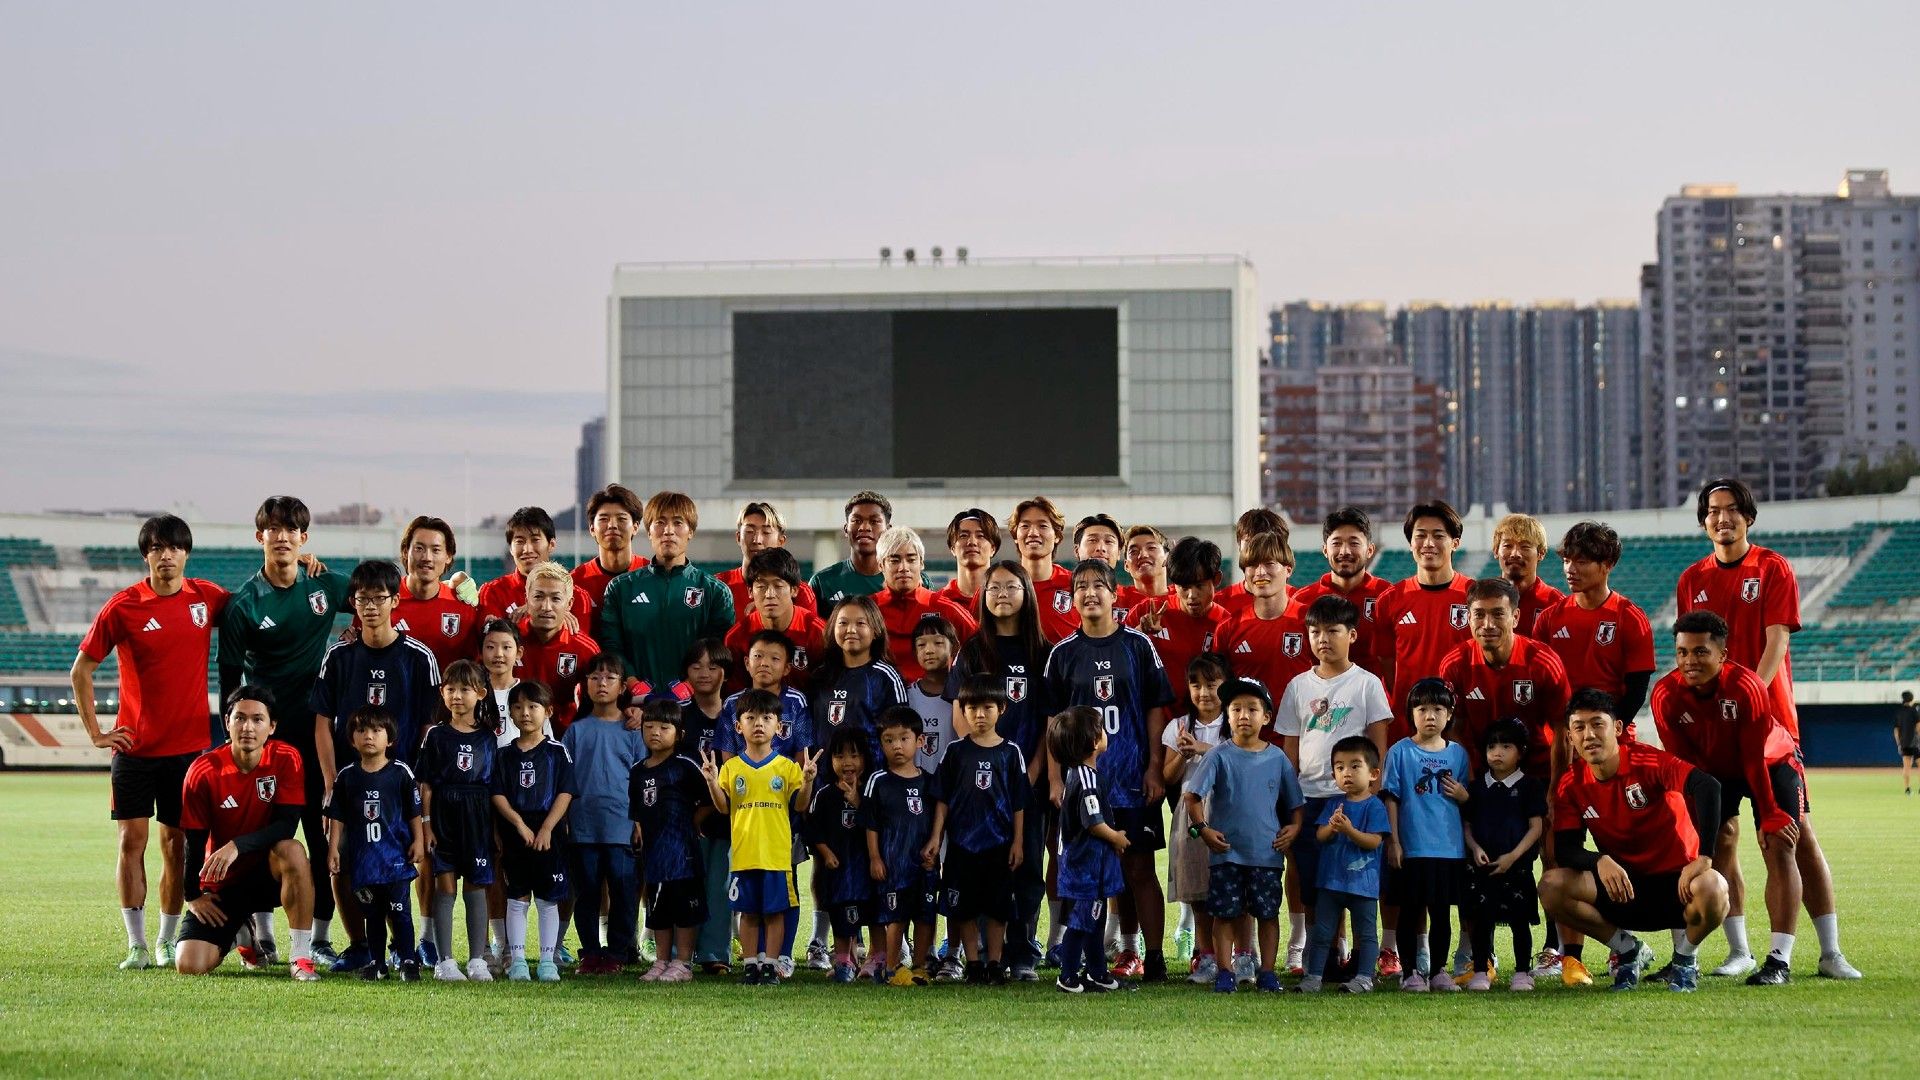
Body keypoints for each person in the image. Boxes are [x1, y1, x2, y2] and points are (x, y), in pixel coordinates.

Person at [1675, 477, 1857, 979]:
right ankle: (1740, 951)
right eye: (1713, 510)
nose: (1722, 518)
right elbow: (1694, 648)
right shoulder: (1692, 577)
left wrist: (1748, 694)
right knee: (1725, 836)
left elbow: (1777, 641)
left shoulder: (1772, 567)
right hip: (1717, 735)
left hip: (1771, 729)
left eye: (1732, 509)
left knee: (1794, 836)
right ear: (1704, 520)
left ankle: (1829, 951)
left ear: (1748, 517)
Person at [74, 513, 229, 970]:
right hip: (135, 750)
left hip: (188, 751)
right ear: (147, 555)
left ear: (186, 553)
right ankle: (136, 944)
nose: (167, 555)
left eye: (175, 547)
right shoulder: (123, 606)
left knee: (177, 846)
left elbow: (262, 608)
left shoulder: (206, 598)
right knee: (131, 842)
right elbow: (81, 670)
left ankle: (165, 940)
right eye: (158, 547)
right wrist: (97, 733)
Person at [216, 495, 352, 965]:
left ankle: (319, 937)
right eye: (273, 530)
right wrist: (234, 744)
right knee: (264, 833)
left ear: (303, 539)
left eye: (291, 530)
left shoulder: (324, 584)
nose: (282, 537)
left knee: (320, 834)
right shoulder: (243, 605)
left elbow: (380, 597)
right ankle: (264, 931)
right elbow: (228, 682)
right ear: (260, 538)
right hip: (264, 738)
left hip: (314, 733)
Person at [1539, 689, 1731, 992]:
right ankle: (1628, 950)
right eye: (1579, 727)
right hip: (1623, 889)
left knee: (1715, 887)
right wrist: (1598, 860)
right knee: (1552, 886)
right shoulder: (1571, 783)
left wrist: (1705, 857)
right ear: (1570, 737)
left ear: (1617, 728)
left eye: (1597, 724)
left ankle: (1685, 959)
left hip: (1676, 887)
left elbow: (1708, 786)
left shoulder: (1647, 761)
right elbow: (1565, 849)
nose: (1588, 735)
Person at [1652, 611, 1806, 986]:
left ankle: (1779, 960)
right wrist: (1699, 826)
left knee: (1778, 844)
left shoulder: (1748, 686)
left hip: (1769, 762)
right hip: (1713, 772)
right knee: (1719, 845)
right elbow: (1686, 769)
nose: (1690, 662)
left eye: (1701, 652)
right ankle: (1740, 952)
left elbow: (1753, 758)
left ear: (1723, 655)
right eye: (1683, 652)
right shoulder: (1665, 695)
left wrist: (1768, 811)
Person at [1043, 558, 1176, 981]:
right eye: (1080, 586)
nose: (1089, 593)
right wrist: (1052, 778)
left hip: (1131, 780)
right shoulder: (1062, 654)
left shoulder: (1137, 645)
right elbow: (1052, 721)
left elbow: (1156, 709)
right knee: (1087, 871)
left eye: (1098, 585)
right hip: (1083, 787)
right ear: (1072, 598)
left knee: (1138, 869)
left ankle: (1152, 957)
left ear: (1115, 594)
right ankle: (1089, 957)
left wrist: (1155, 766)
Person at [310, 559, 441, 972]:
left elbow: (430, 726)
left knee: (404, 859)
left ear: (394, 601)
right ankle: (361, 946)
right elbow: (320, 725)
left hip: (401, 784)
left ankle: (418, 944)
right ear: (353, 603)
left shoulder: (419, 657)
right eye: (362, 599)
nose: (370, 607)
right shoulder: (339, 657)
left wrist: (421, 783)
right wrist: (331, 784)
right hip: (350, 783)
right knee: (343, 861)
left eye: (378, 598)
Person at [1275, 594, 1393, 977]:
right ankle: (1322, 955)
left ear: (1352, 635)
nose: (1322, 639)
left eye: (1332, 631)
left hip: (1353, 799)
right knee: (1314, 881)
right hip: (1310, 797)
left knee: (1357, 876)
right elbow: (1290, 747)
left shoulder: (1366, 684)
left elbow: (1378, 744)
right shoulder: (1297, 686)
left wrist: (1369, 797)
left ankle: (1363, 957)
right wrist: (1290, 800)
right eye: (1315, 631)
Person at [946, 559, 1052, 979]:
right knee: (979, 864)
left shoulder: (1043, 651)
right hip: (979, 785)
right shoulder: (974, 650)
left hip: (1027, 780)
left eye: (1011, 587)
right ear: (983, 598)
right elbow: (958, 711)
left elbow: (1049, 719)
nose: (1001, 595)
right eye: (993, 588)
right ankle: (983, 957)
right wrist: (975, 764)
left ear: (1027, 594)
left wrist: (1036, 770)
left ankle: (1022, 949)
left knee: (1024, 865)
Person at [174, 686, 317, 980]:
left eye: (257, 719)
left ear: (272, 726)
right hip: (224, 882)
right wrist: (192, 895)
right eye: (239, 718)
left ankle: (301, 957)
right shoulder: (204, 770)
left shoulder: (287, 758)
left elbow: (286, 826)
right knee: (189, 964)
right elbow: (194, 840)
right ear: (227, 722)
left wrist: (237, 845)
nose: (248, 727)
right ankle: (243, 934)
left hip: (269, 875)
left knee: (293, 849)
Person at [1181, 677, 1305, 994]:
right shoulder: (1218, 756)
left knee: (1266, 914)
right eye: (1236, 709)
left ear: (1266, 717)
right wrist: (1203, 830)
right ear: (1228, 715)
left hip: (1266, 854)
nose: (1244, 715)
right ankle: (1225, 971)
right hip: (1226, 854)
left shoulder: (1277, 758)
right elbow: (1192, 797)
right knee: (1224, 914)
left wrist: (1295, 827)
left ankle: (1267, 972)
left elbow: (1296, 804)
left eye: (1252, 708)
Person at [699, 690, 820, 986]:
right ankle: (751, 965)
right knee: (749, 913)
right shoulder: (732, 767)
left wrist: (807, 783)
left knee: (775, 913)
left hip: (777, 855)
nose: (758, 724)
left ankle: (771, 965)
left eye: (766, 718)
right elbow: (724, 807)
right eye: (750, 718)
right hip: (744, 853)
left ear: (779, 727)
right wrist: (713, 783)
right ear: (738, 726)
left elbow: (801, 806)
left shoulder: (787, 767)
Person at [929, 675, 1032, 983]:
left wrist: (1018, 842)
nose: (979, 715)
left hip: (998, 844)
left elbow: (1019, 803)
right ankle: (973, 962)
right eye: (971, 708)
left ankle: (995, 963)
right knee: (964, 907)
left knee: (998, 908)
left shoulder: (1011, 753)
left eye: (987, 707)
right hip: (962, 844)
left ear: (1002, 708)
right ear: (962, 710)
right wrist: (936, 836)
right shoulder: (955, 752)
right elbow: (942, 799)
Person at [1382, 678, 1472, 992]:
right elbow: (1390, 797)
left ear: (1449, 715)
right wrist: (1394, 841)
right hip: (1412, 846)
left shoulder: (1458, 754)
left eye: (1438, 709)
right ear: (1411, 713)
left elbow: (1466, 801)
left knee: (1442, 912)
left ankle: (1438, 971)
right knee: (1411, 910)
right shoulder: (1400, 752)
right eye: (1422, 709)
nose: (1430, 716)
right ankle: (1410, 973)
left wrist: (1464, 795)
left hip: (1449, 848)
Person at [325, 706, 426, 981]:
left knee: (399, 910)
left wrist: (419, 840)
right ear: (352, 739)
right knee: (372, 914)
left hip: (394, 858)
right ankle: (377, 962)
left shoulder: (401, 772)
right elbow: (337, 816)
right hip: (363, 861)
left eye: (376, 731)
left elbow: (414, 811)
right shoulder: (346, 776)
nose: (368, 736)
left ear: (390, 739)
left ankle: (407, 959)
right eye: (361, 730)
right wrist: (333, 848)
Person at [561, 655, 648, 974]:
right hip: (584, 825)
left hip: (622, 824)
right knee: (587, 892)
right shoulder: (575, 731)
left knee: (624, 891)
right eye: (595, 678)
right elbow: (566, 781)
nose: (601, 684)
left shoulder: (632, 731)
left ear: (622, 687)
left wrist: (638, 821)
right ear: (585, 684)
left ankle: (619, 952)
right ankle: (591, 952)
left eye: (609, 678)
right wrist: (567, 819)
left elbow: (641, 778)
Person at [1437, 577, 1573, 779]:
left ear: (1515, 617)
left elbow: (1563, 733)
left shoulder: (1543, 663)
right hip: (1479, 774)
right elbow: (1452, 731)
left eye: (1498, 614)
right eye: (1479, 614)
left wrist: (1554, 793)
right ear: (1468, 617)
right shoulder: (1454, 664)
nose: (1488, 624)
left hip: (1536, 774)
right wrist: (1473, 783)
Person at [596, 491, 734, 689]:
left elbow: (719, 652)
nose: (668, 531)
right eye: (660, 522)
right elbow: (612, 646)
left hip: (694, 705)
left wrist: (688, 686)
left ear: (691, 531)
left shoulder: (715, 591)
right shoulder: (621, 588)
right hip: (636, 707)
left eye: (678, 523)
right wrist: (633, 682)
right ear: (649, 531)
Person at [416, 660, 497, 981]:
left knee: (477, 885)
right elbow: (424, 784)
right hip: (443, 817)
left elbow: (493, 788)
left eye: (465, 689)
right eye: (451, 689)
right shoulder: (436, 735)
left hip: (477, 817)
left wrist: (495, 830)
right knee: (445, 885)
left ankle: (477, 959)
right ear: (442, 693)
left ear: (480, 693)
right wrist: (426, 825)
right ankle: (445, 961)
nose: (457, 696)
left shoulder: (488, 738)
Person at [1532, 521, 1656, 729]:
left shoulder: (1631, 618)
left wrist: (1607, 731)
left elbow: (1636, 692)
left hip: (1612, 735)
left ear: (1607, 564)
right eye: (1566, 560)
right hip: (1561, 735)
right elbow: (1539, 685)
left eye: (1581, 561)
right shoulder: (1548, 619)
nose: (1570, 569)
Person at [491, 680, 574, 982]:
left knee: (548, 898)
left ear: (548, 712)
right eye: (518, 707)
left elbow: (565, 792)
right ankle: (518, 961)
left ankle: (547, 960)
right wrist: (519, 825)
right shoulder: (503, 755)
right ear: (510, 714)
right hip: (517, 832)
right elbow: (497, 794)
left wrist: (548, 827)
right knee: (517, 896)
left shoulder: (557, 752)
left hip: (549, 833)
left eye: (533, 706)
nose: (525, 713)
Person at [1374, 501, 1473, 746]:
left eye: (1438, 535)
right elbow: (1388, 666)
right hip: (1408, 727)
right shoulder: (1390, 600)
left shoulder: (1474, 595)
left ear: (1455, 543)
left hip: (1462, 724)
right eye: (1421, 536)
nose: (1428, 543)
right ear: (1411, 544)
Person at [1295, 736, 1389, 993]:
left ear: (1373, 773)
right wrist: (1332, 828)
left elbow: (1373, 842)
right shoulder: (1333, 804)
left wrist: (1349, 830)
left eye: (1355, 766)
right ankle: (1314, 976)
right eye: (1339, 767)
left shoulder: (1375, 806)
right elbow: (1320, 836)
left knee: (1366, 933)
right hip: (1331, 881)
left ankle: (1364, 977)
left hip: (1363, 884)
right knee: (1323, 932)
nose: (1346, 773)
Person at [1049, 706, 1132, 994]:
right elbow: (1093, 822)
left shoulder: (1083, 773)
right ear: (1094, 740)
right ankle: (1068, 974)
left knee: (1094, 920)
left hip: (1091, 865)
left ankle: (1097, 972)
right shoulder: (1084, 778)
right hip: (1084, 867)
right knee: (1083, 921)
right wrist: (1116, 838)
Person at [628, 699, 711, 982]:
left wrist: (696, 821)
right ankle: (661, 961)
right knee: (658, 909)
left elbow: (710, 800)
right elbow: (637, 809)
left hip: (683, 853)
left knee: (684, 908)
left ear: (679, 733)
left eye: (664, 727)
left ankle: (683, 962)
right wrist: (638, 828)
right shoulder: (638, 770)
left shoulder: (685, 765)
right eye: (649, 726)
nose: (655, 732)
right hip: (654, 855)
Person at [1463, 719, 1546, 991]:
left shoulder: (1530, 786)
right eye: (1491, 746)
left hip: (1517, 867)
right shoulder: (1476, 788)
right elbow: (1467, 825)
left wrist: (1513, 856)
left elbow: (1536, 827)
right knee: (1481, 920)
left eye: (1506, 746)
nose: (1497, 753)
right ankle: (1479, 970)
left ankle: (1522, 972)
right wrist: (1474, 848)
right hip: (1483, 867)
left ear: (1520, 751)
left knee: (1520, 922)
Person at [861, 707, 941, 986]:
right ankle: (893, 967)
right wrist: (874, 857)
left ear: (919, 741)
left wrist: (935, 849)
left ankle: (919, 966)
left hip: (924, 864)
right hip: (894, 863)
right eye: (889, 739)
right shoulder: (878, 781)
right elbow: (870, 824)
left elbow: (938, 821)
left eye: (904, 738)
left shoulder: (930, 782)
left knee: (925, 915)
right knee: (896, 916)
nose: (897, 745)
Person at [1162, 653, 1229, 984]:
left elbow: (1242, 760)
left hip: (1230, 809)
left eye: (1212, 685)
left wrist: (1204, 749)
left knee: (1232, 886)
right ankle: (1205, 957)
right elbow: (1168, 777)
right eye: (1196, 686)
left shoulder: (1237, 720)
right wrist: (1182, 755)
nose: (1203, 693)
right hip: (1190, 809)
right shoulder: (1178, 726)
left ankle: (1242, 956)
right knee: (1197, 889)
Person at [1127, 536, 1232, 719]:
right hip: (1150, 722)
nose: (1192, 595)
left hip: (1202, 726)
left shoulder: (1226, 624)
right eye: (1184, 587)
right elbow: (1116, 659)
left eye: (1199, 586)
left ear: (1216, 579)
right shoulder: (1146, 612)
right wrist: (1140, 632)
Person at [1214, 531, 1311, 725]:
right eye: (1252, 565)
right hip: (1248, 742)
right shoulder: (1228, 629)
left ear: (1288, 569)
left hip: (1302, 738)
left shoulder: (1311, 622)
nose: (1259, 572)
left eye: (1269, 563)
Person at [806, 726, 879, 984]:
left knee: (872, 912)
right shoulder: (824, 795)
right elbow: (813, 830)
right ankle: (844, 960)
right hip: (838, 872)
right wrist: (825, 853)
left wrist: (858, 802)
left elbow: (878, 823)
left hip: (866, 868)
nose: (848, 762)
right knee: (841, 913)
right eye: (840, 757)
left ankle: (875, 959)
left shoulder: (872, 790)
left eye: (855, 756)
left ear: (866, 759)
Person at [1289, 506, 1394, 680]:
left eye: (1354, 543)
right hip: (1320, 702)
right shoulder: (1302, 600)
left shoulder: (1388, 595)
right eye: (1337, 543)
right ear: (1325, 550)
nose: (1344, 551)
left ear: (1370, 550)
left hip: (1371, 702)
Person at [871, 526, 977, 682]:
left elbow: (983, 648)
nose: (903, 568)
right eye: (894, 560)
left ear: (921, 563)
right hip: (880, 701)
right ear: (881, 565)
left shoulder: (945, 608)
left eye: (911, 559)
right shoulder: (867, 610)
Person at [811, 594, 907, 758]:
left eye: (860, 623)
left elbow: (900, 734)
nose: (850, 630)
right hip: (824, 778)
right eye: (843, 623)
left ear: (875, 631)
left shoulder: (886, 677)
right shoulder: (820, 676)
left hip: (869, 778)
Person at [723, 548, 829, 691]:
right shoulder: (736, 637)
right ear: (750, 591)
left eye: (778, 586)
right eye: (761, 586)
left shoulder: (819, 632)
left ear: (794, 590)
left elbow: (827, 693)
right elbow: (735, 694)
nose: (769, 594)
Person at [386, 515, 481, 673]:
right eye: (419, 548)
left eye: (436, 550)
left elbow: (475, 668)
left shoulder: (463, 605)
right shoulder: (384, 600)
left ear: (448, 556)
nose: (427, 558)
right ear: (405, 551)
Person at [516, 562, 600, 731]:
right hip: (511, 736)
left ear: (569, 604)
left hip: (563, 738)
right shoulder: (509, 642)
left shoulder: (585, 649)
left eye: (555, 599)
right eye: (538, 597)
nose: (546, 607)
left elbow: (598, 703)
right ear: (526, 600)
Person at [477, 506, 592, 627]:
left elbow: (577, 643)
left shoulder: (577, 596)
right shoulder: (492, 592)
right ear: (511, 548)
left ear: (551, 545)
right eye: (520, 541)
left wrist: (533, 609)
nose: (527, 549)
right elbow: (491, 642)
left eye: (535, 540)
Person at [715, 631, 814, 761]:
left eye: (775, 658)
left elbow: (803, 750)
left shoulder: (796, 701)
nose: (764, 663)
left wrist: (793, 780)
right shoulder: (732, 703)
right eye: (758, 656)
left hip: (785, 778)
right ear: (747, 663)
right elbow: (727, 751)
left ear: (787, 668)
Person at [716, 501, 819, 620]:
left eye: (766, 532)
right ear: (738, 537)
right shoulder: (718, 586)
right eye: (749, 531)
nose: (757, 540)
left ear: (781, 541)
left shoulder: (799, 592)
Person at [809, 491, 895, 611]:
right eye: (856, 521)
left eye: (874, 521)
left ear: (888, 530)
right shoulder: (822, 582)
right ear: (846, 529)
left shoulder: (911, 580)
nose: (864, 527)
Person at [1009, 496, 1078, 642]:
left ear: (1057, 536)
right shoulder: (994, 587)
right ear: (1015, 535)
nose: (1033, 533)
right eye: (1025, 526)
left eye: (1042, 526)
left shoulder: (1077, 585)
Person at [572, 483, 647, 618]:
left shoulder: (653, 575)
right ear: (592, 529)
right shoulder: (575, 582)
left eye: (621, 519)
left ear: (635, 527)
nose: (612, 525)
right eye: (604, 519)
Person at [1492, 513, 1564, 638]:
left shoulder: (1555, 603)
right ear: (1495, 550)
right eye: (1507, 546)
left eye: (1525, 547)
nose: (1515, 554)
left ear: (1541, 553)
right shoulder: (1482, 599)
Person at [907, 615, 960, 774]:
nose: (929, 650)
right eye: (921, 645)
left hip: (953, 784)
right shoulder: (907, 696)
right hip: (917, 787)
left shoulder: (963, 695)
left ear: (954, 647)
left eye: (938, 643)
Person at [1215, 508, 1291, 619]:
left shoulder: (1302, 600)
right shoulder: (1219, 604)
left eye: (1266, 544)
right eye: (1251, 543)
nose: (1257, 551)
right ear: (1239, 547)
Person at [478, 618, 532, 745]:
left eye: (506, 647)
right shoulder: (472, 693)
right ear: (481, 651)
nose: (498, 654)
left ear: (519, 653)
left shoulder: (531, 694)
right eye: (490, 647)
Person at [936, 509, 1001, 613]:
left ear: (993, 548)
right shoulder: (938, 602)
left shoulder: (1004, 599)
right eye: (963, 536)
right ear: (952, 548)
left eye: (980, 536)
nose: (972, 542)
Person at [1114, 524, 1171, 622]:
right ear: (1126, 565)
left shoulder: (1185, 600)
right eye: (1134, 551)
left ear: (1167, 557)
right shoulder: (1113, 600)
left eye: (1151, 548)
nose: (1143, 555)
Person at [1898, 691, 1920, 795]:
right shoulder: (1914, 711)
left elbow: (1896, 730)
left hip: (1904, 743)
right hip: (1915, 742)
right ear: (1911, 699)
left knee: (1906, 767)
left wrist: (1899, 743)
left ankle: (1907, 789)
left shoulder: (1900, 712)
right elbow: (1918, 726)